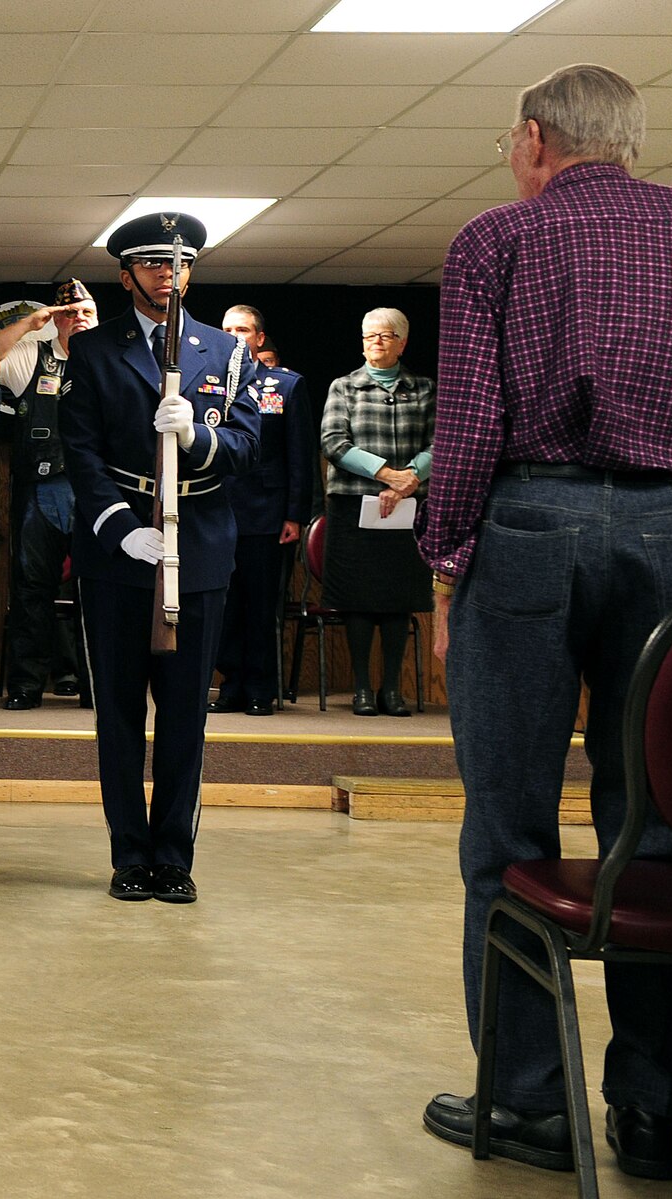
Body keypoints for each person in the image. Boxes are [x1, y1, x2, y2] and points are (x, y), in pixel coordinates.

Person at [419, 63, 672, 1185]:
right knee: (659, 834)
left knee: (506, 832)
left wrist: (445, 566)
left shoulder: (491, 242)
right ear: (628, 142)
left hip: (529, 525)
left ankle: (524, 1108)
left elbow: (467, 423)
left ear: (530, 140)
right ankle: (649, 1118)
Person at [58, 212, 259, 906]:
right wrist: (118, 527)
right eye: (150, 265)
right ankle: (128, 854)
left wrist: (200, 437)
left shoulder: (225, 353)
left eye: (176, 265)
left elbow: (247, 444)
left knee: (184, 714)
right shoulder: (91, 352)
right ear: (126, 274)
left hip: (198, 543)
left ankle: (174, 855)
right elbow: (78, 453)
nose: (164, 276)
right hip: (119, 550)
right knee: (117, 712)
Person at [319, 307, 434, 718]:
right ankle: (363, 689)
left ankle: (392, 689)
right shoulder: (344, 387)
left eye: (385, 336)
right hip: (354, 504)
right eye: (369, 336)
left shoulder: (423, 389)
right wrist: (387, 474)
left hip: (406, 507)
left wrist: (409, 479)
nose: (376, 343)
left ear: (402, 342)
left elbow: (439, 444)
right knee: (359, 599)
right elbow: (333, 442)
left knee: (397, 599)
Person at [0, 277, 98, 710]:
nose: (78, 321)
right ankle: (25, 686)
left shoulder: (116, 360)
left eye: (86, 313)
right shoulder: (31, 357)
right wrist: (31, 322)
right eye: (68, 314)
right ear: (55, 322)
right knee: (31, 591)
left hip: (99, 493)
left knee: (99, 592)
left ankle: (97, 687)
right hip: (41, 491)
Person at [211, 305, 314, 716]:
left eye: (243, 329)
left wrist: (295, 514)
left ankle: (259, 689)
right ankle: (231, 685)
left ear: (258, 338)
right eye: (227, 329)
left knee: (260, 605)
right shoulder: (208, 381)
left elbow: (300, 454)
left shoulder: (285, 385)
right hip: (216, 509)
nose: (235, 335)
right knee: (224, 604)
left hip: (267, 514)